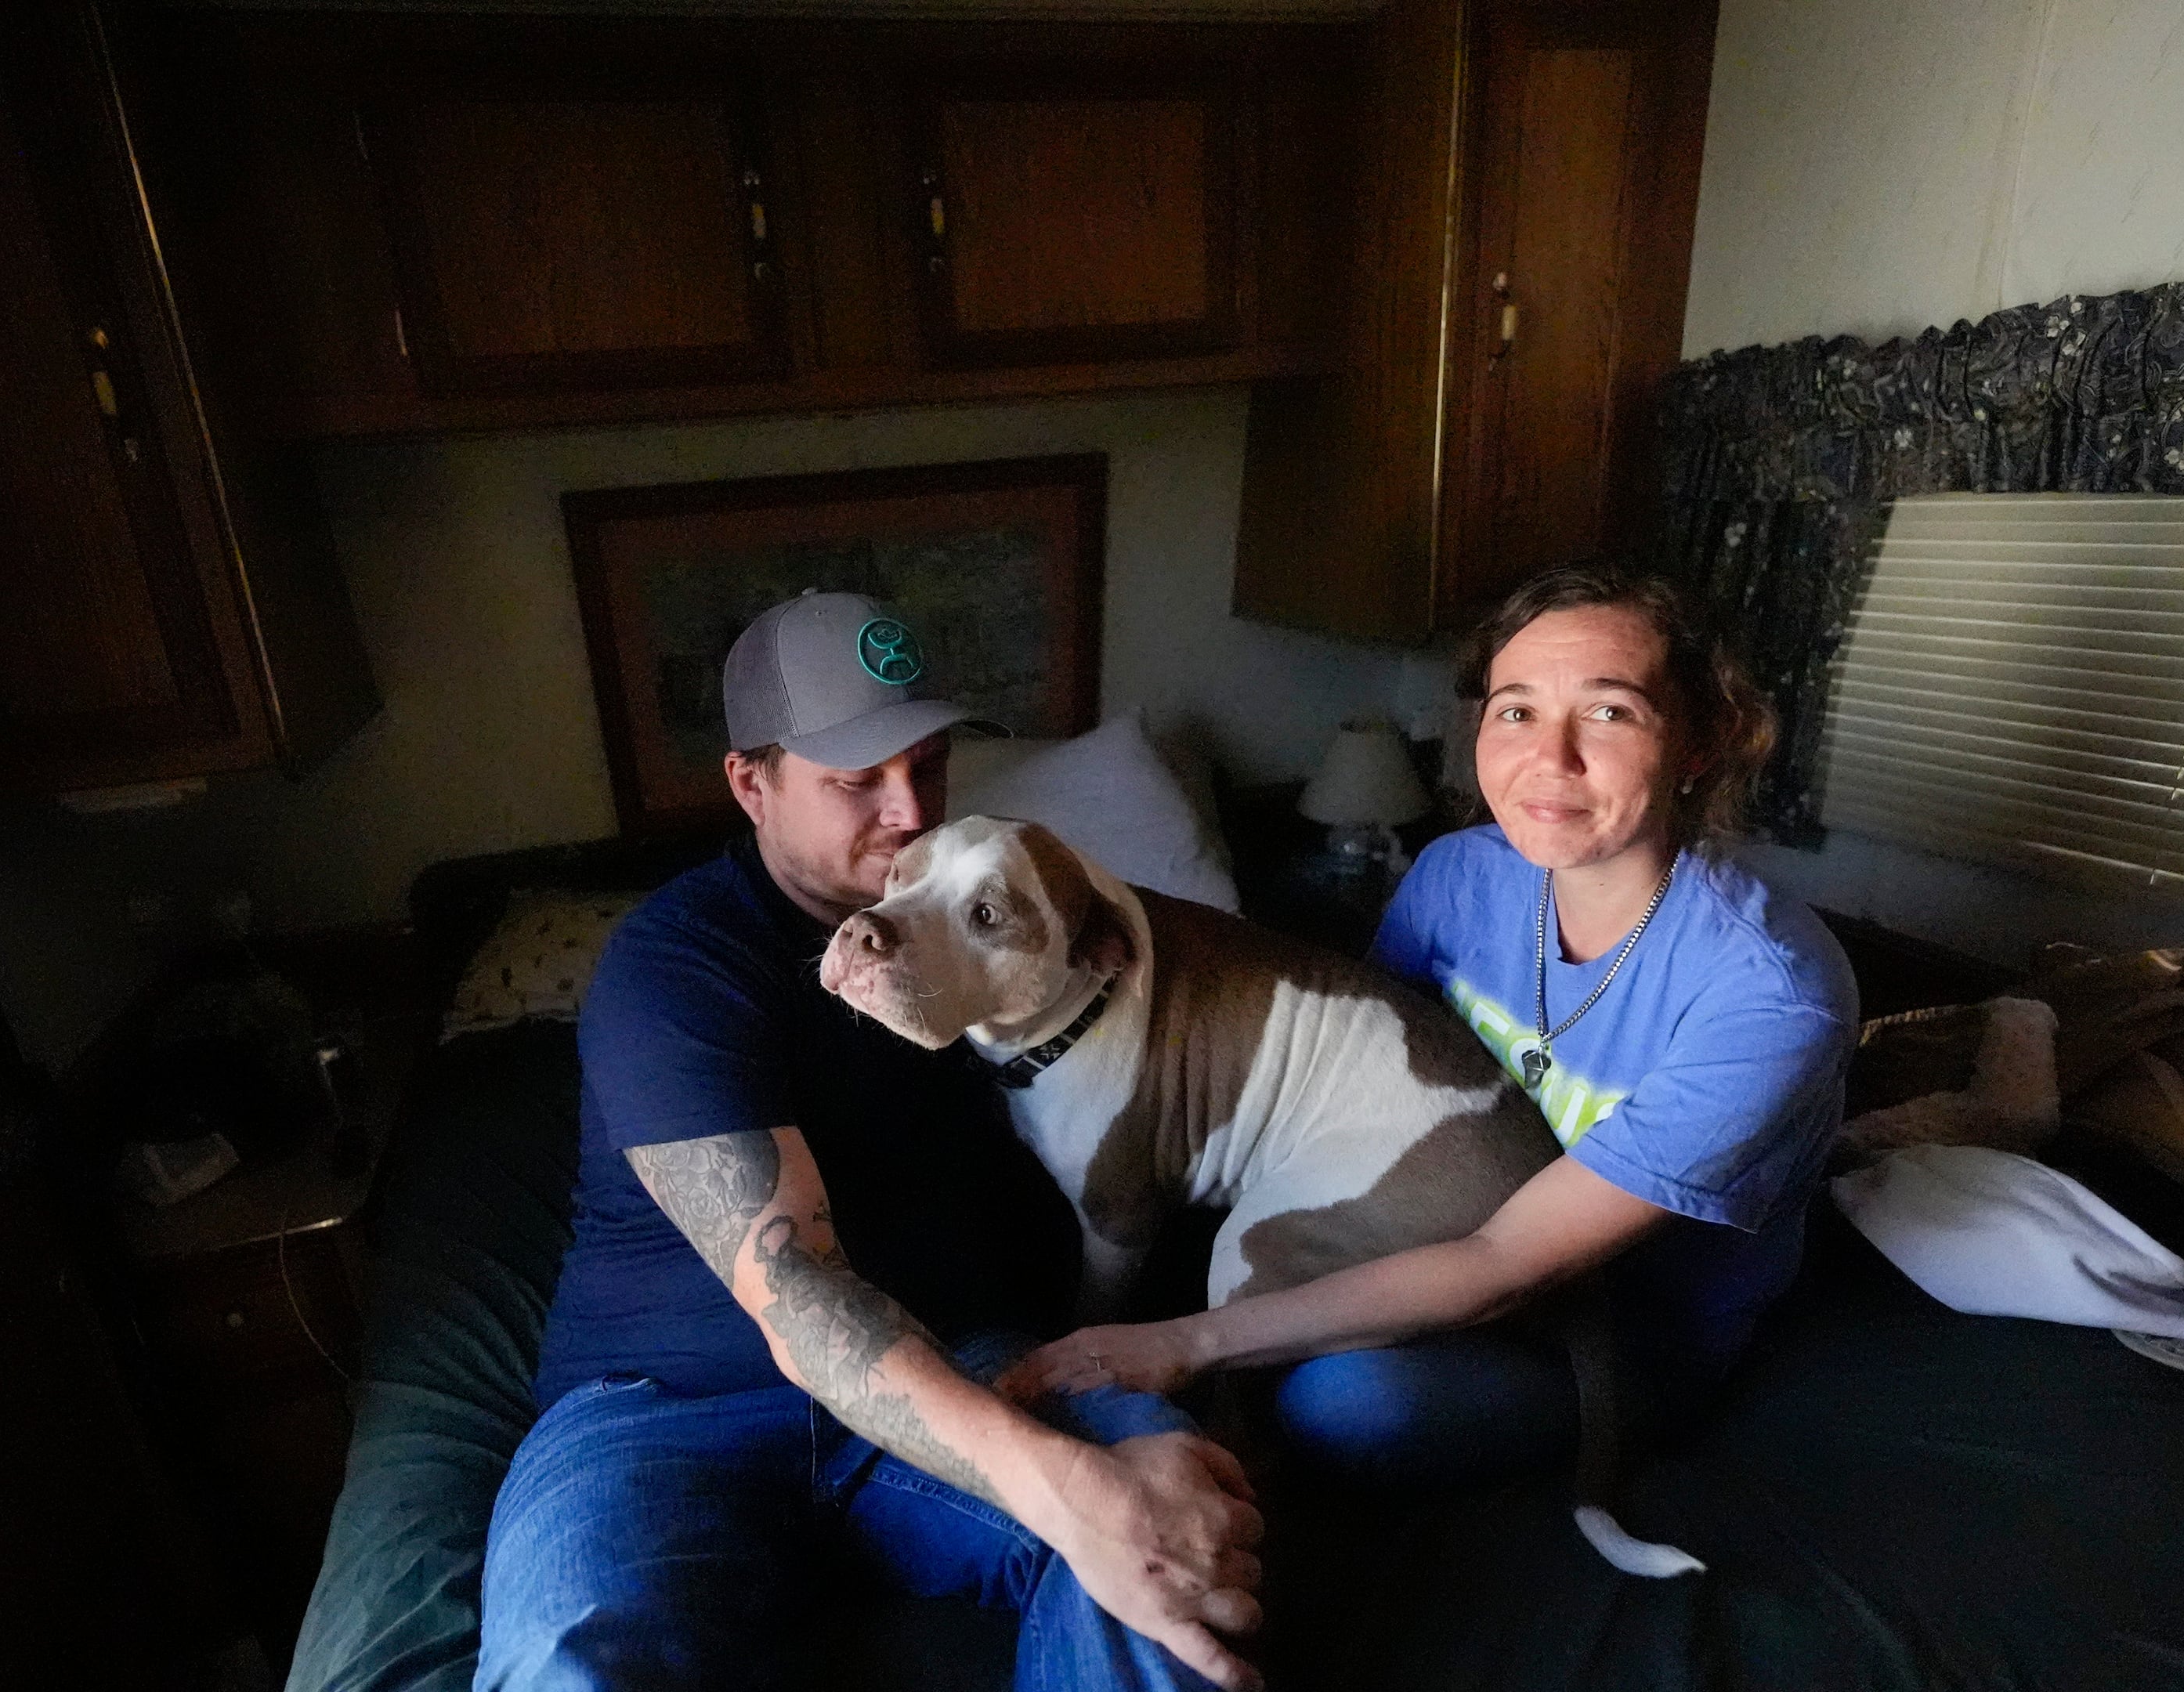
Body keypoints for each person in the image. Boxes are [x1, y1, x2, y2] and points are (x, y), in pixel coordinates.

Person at [475, 590, 1266, 1692]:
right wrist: (1056, 1488)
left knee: (1177, 1552)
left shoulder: (989, 920)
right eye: (856, 781)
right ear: (752, 786)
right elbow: (795, 1287)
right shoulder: (675, 965)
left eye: (929, 765)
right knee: (573, 1659)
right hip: (665, 1410)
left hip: (968, 1358)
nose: (909, 810)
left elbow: (1168, 984)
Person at [1004, 564, 1858, 1487]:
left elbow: (1512, 1261)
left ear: (1702, 741)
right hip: (1427, 1231)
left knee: (1344, 1401)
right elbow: (1352, 1095)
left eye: (1610, 713)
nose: (1550, 758)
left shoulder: (1773, 995)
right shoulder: (1456, 876)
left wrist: (1188, 1341)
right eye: (1516, 710)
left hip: (1611, 1335)